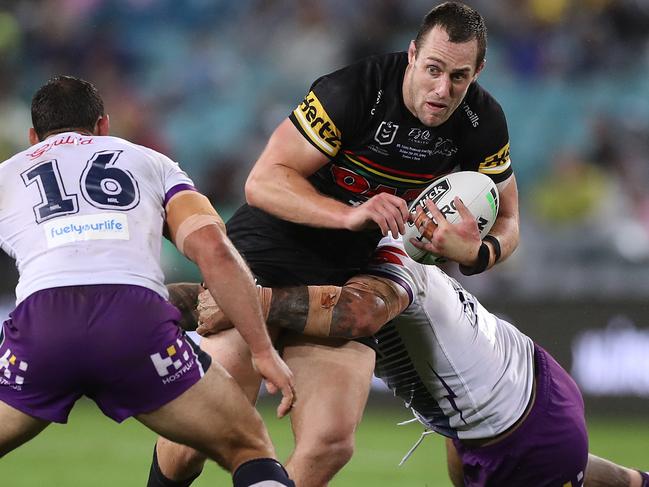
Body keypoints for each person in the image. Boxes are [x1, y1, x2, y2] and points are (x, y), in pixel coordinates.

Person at [150, 2, 520, 486]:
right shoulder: (352, 92)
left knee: (329, 444)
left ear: (478, 72)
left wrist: (476, 253)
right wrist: (349, 215)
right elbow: (262, 182)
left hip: (349, 270)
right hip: (266, 251)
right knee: (206, 430)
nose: (442, 89)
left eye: (458, 76)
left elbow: (510, 218)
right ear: (412, 55)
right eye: (433, 69)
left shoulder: (481, 122)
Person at [0, 75, 296, 487]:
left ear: (33, 137)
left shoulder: (7, 175)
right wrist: (263, 350)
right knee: (248, 447)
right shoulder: (151, 162)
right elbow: (213, 249)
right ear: (104, 126)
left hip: (42, 327)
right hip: (134, 321)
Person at [194, 233, 649, 487]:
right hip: (526, 383)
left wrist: (251, 300)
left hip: (516, 435)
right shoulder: (341, 258)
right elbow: (212, 301)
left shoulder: (381, 269)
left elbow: (358, 314)